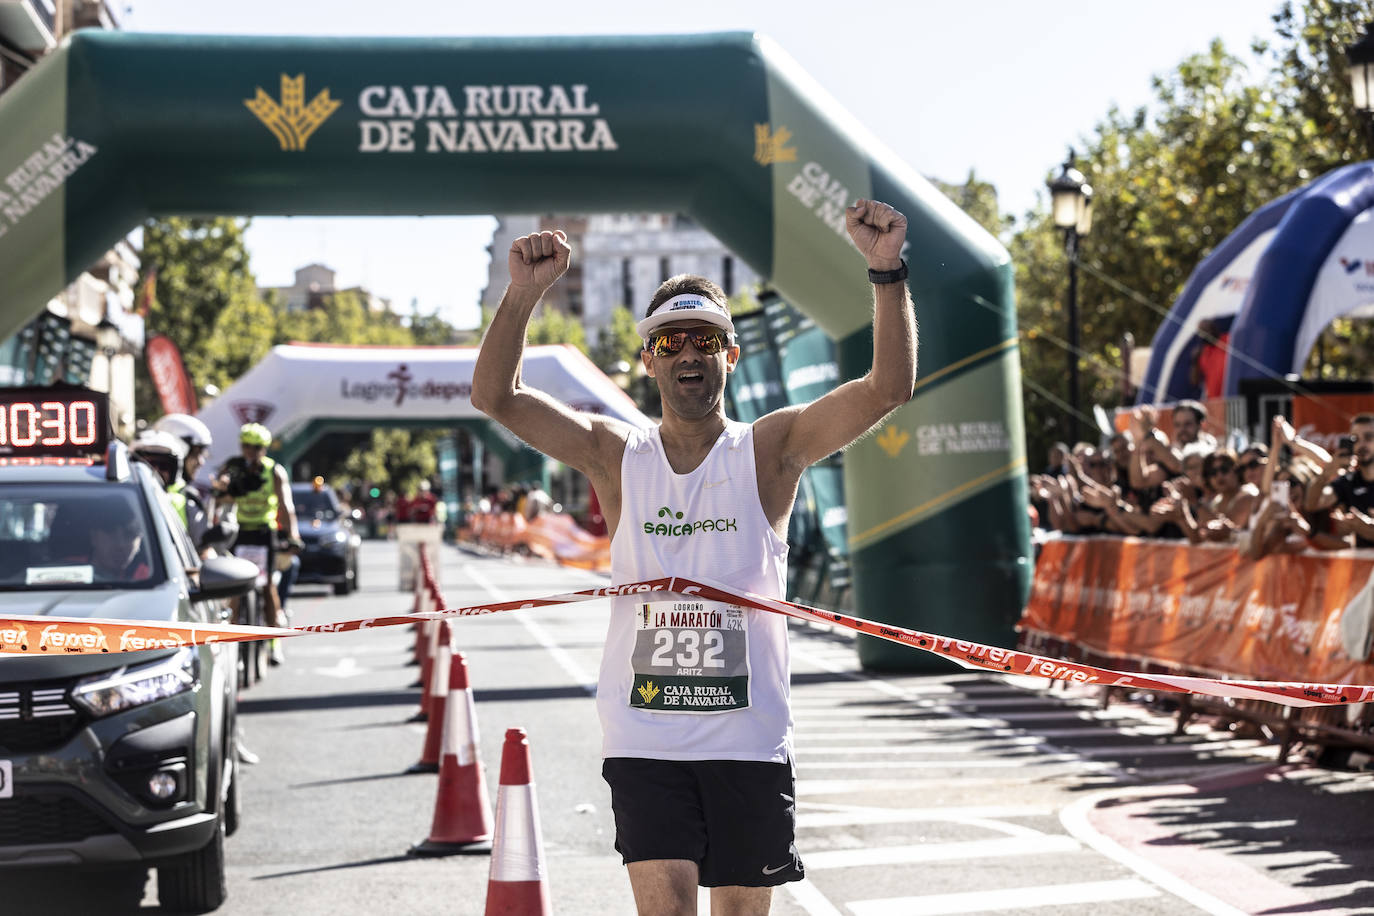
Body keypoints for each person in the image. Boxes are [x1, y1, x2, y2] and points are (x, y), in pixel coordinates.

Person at [472, 198, 916, 915]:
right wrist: (523, 293)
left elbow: (887, 389)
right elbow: (496, 396)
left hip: (748, 740)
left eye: (705, 342)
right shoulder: (614, 454)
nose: (688, 355)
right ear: (650, 358)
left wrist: (887, 272)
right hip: (646, 734)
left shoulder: (771, 450)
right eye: (671, 342)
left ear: (730, 356)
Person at [215, 423, 301, 654]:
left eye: (255, 447)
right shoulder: (233, 467)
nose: (250, 452)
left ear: (263, 449)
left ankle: (274, 640)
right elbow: (219, 495)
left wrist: (293, 534)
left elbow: (285, 506)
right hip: (240, 531)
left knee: (266, 585)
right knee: (235, 586)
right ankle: (231, 637)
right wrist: (223, 486)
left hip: (265, 531)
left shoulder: (274, 471)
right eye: (246, 446)